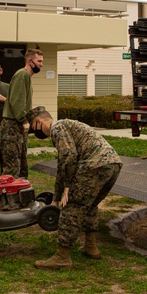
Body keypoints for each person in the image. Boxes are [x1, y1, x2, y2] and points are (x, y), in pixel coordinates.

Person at [28, 106, 122, 270]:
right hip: (112, 165)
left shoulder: (56, 128)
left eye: (33, 127)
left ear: (39, 121)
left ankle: (62, 258)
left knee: (72, 207)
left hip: (94, 165)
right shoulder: (66, 126)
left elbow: (69, 156)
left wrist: (67, 188)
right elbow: (62, 167)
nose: (35, 132)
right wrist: (55, 199)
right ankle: (90, 247)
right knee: (89, 205)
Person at [0, 48, 44, 178]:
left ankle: (20, 196)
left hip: (18, 126)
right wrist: (24, 121)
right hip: (12, 126)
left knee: (22, 168)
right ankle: (7, 197)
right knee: (11, 169)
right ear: (30, 61)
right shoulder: (22, 75)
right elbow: (16, 101)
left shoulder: (27, 77)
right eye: (39, 61)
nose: (41, 64)